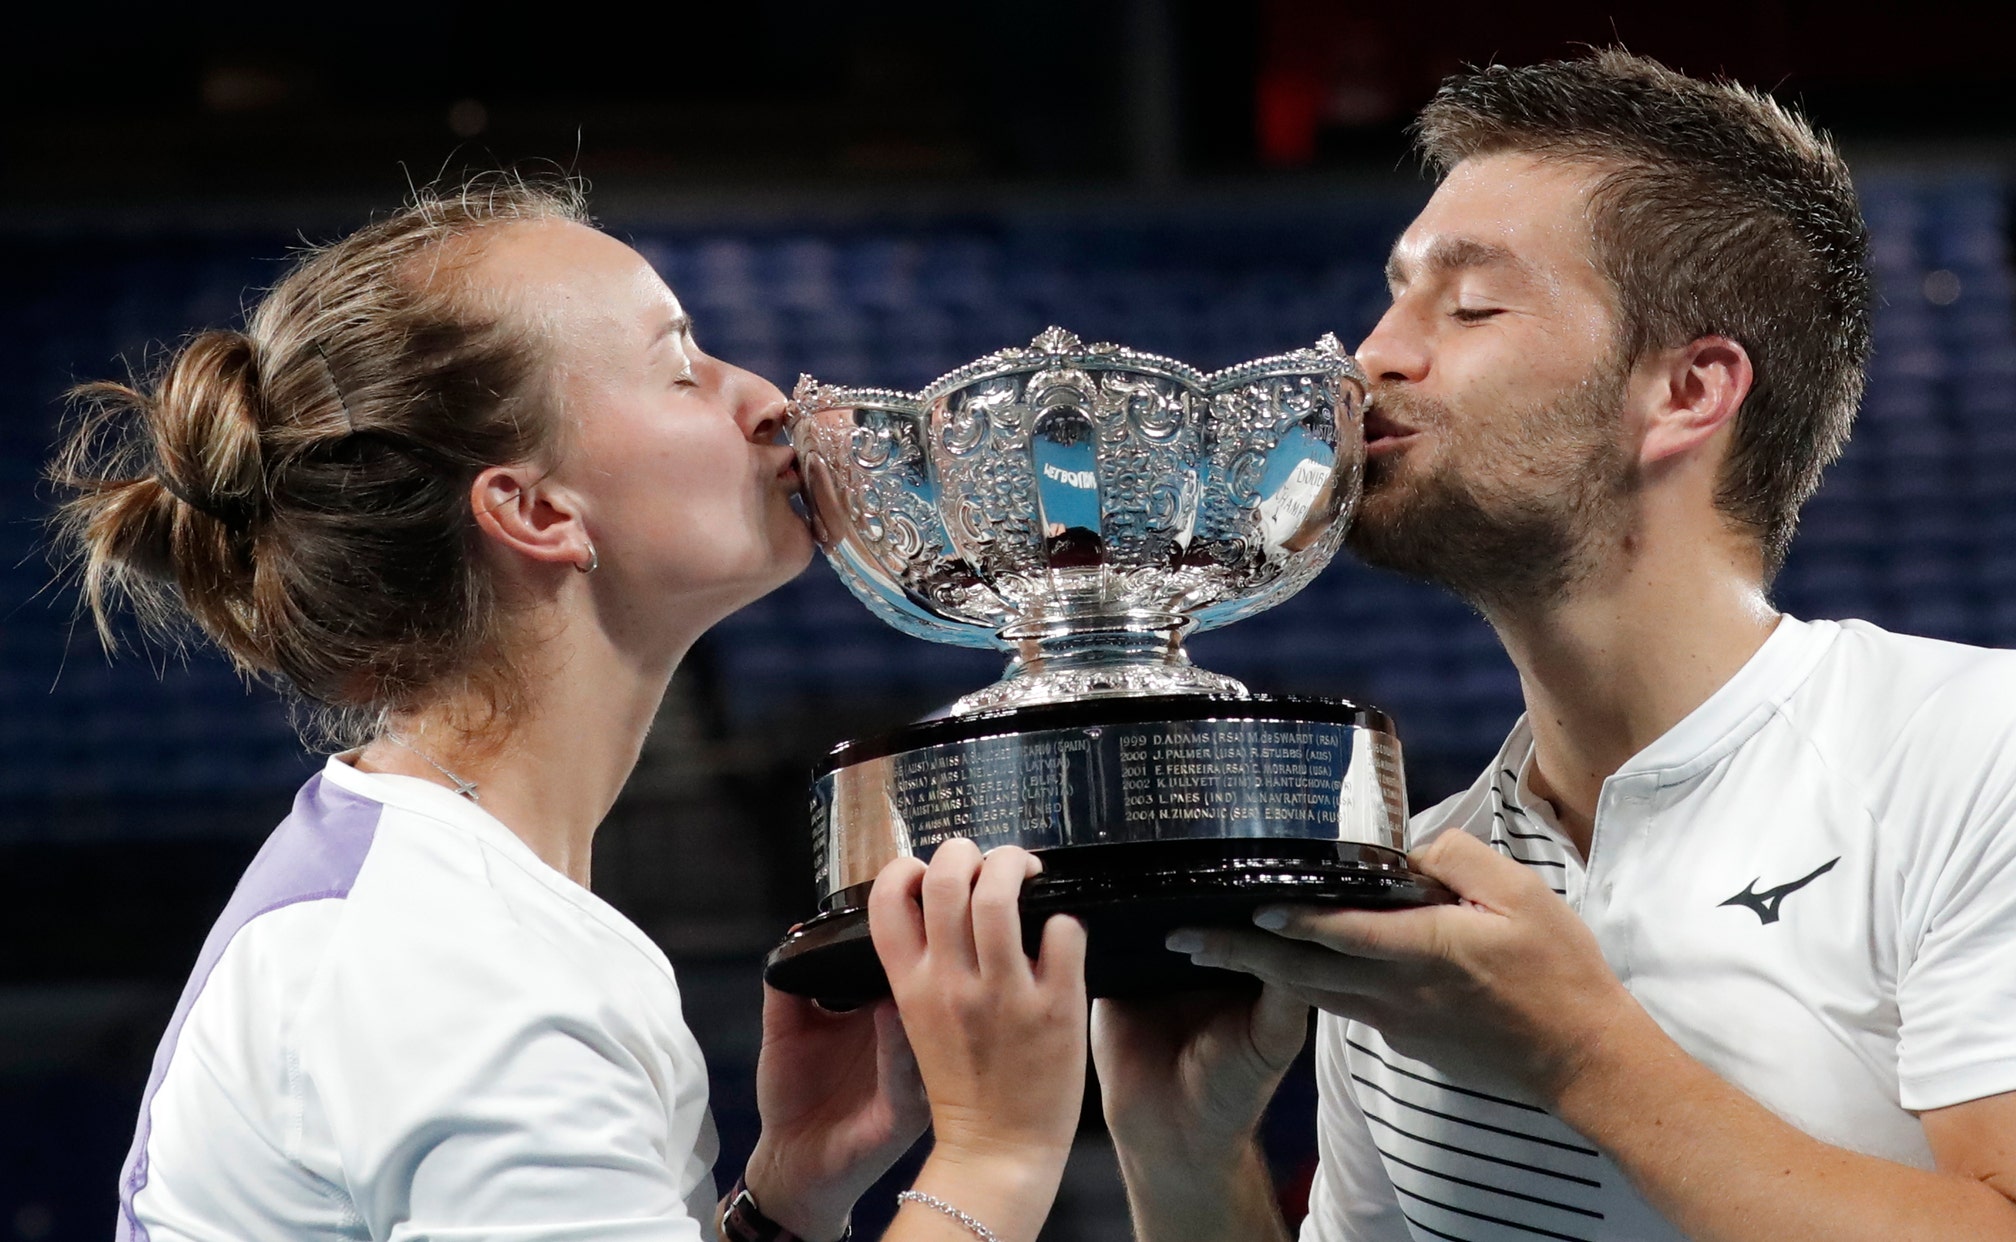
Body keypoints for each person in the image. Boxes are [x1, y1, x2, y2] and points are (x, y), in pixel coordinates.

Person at [53, 176, 1089, 1242]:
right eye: (682, 371)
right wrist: (993, 1159)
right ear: (536, 509)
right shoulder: (447, 969)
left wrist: (783, 1203)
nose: (771, 399)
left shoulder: (455, 907)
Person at [1093, 51, 2016, 1241]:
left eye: (1469, 304)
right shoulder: (1420, 878)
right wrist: (1185, 1162)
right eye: (1394, 293)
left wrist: (1580, 1053)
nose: (1373, 356)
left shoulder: (1973, 750)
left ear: (1689, 390)